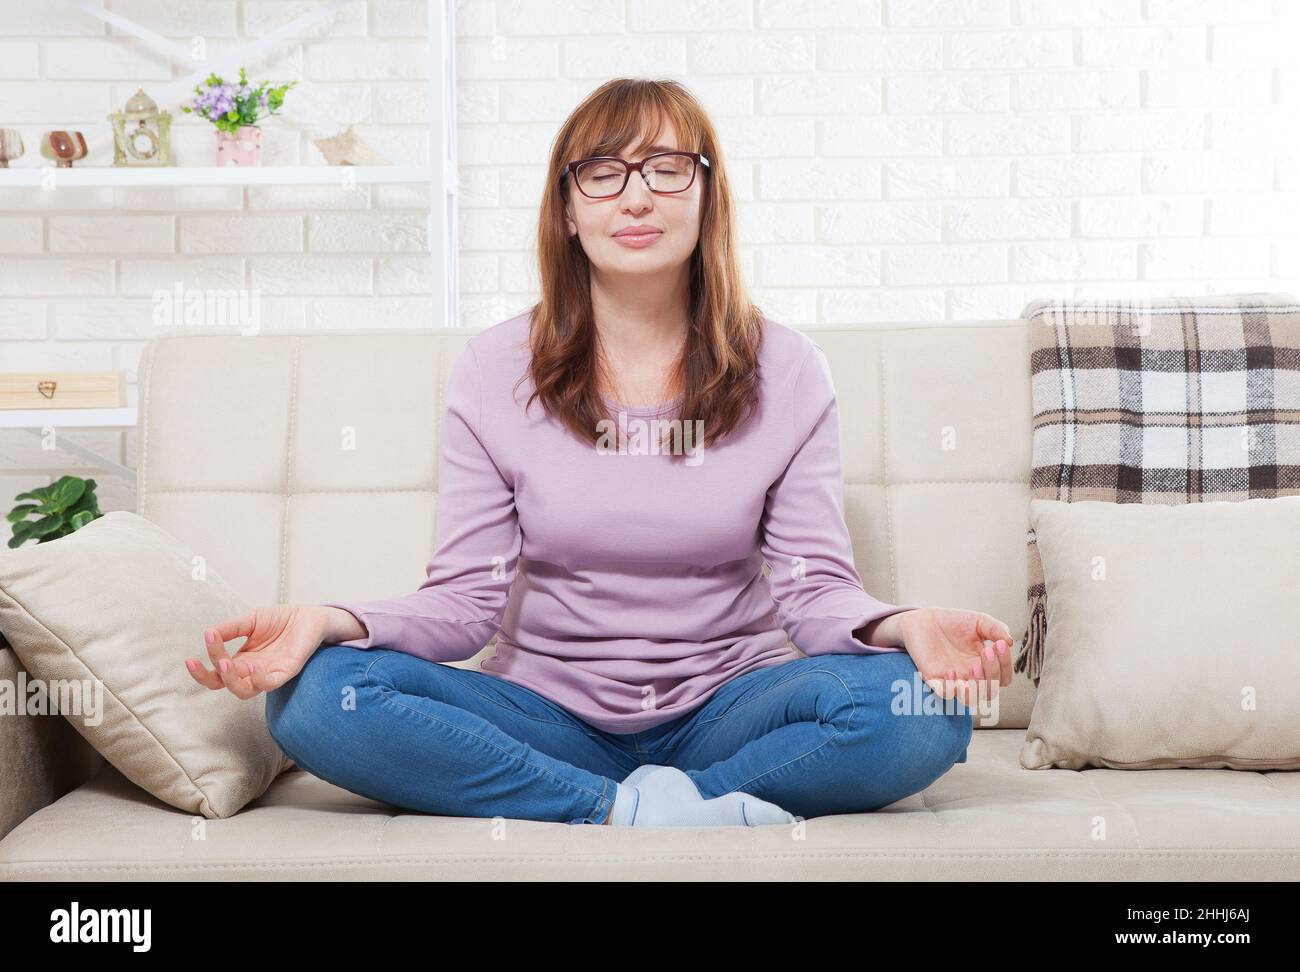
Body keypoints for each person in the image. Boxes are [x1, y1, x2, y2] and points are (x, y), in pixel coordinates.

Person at [185, 78, 1013, 828]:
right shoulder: (493, 368)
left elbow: (814, 593)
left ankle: (652, 802)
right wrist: (333, 620)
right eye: (604, 172)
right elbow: (467, 601)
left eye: (665, 168)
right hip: (548, 718)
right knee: (319, 697)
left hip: (733, 706)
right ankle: (629, 810)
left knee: (922, 709)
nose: (637, 196)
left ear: (707, 195)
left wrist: (901, 626)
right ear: (568, 208)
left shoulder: (787, 367)